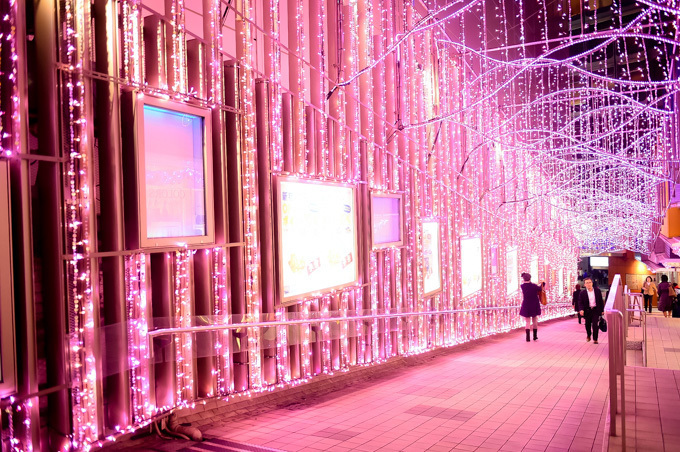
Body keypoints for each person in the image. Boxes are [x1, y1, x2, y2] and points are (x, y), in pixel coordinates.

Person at [578, 277, 604, 344]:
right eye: (587, 283)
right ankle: (589, 335)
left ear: (592, 283)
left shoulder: (597, 291)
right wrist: (581, 309)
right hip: (587, 311)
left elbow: (601, 301)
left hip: (595, 310)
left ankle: (595, 339)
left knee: (595, 324)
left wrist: (602, 310)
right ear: (584, 285)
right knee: (588, 324)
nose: (589, 284)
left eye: (590, 282)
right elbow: (580, 302)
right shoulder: (582, 293)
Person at [520, 272, 544, 342]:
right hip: (534, 304)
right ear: (530, 278)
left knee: (527, 321)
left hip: (526, 304)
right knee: (534, 320)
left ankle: (527, 338)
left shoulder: (522, 286)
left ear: (523, 279)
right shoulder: (534, 286)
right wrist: (543, 283)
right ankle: (535, 336)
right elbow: (540, 288)